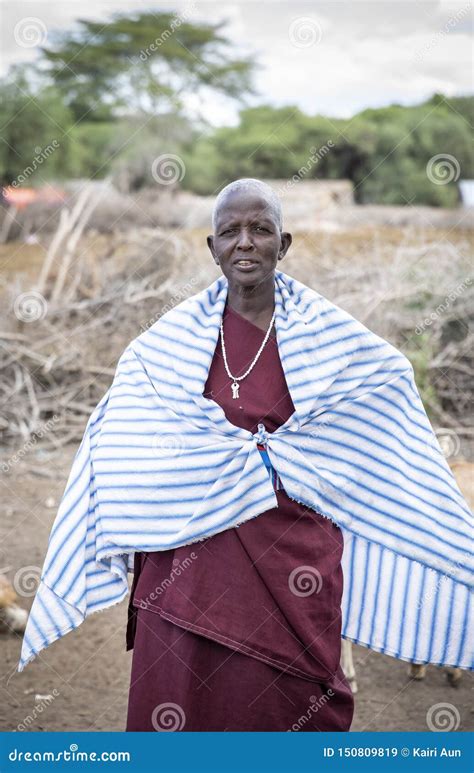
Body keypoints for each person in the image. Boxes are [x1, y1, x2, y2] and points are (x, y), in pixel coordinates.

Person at [17, 179, 473, 733]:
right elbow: (119, 435)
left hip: (292, 568)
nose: (245, 242)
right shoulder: (166, 346)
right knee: (181, 711)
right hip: (186, 572)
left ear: (285, 243)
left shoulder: (332, 338)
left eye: (260, 229)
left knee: (289, 711)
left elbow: (389, 389)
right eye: (230, 231)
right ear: (212, 248)